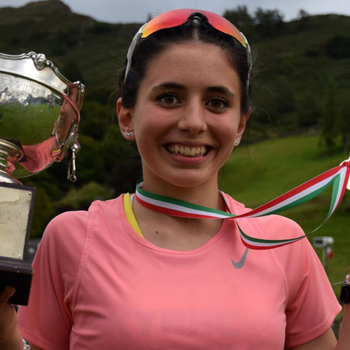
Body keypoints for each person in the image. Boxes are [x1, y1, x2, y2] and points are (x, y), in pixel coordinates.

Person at [0, 9, 349, 350]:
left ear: (241, 124)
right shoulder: (73, 238)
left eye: (216, 102)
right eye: (169, 98)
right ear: (127, 116)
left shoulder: (283, 243)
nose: (194, 122)